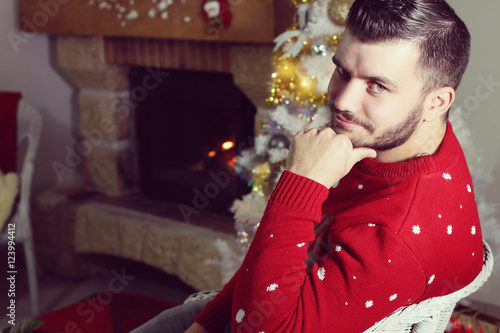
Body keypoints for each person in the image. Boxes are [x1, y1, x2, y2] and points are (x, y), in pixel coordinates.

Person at [131, 0, 484, 332]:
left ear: (436, 102)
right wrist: (207, 323)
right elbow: (290, 256)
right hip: (268, 298)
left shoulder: (397, 235)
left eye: (377, 86)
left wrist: (301, 184)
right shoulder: (392, 146)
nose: (343, 101)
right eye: (343, 71)